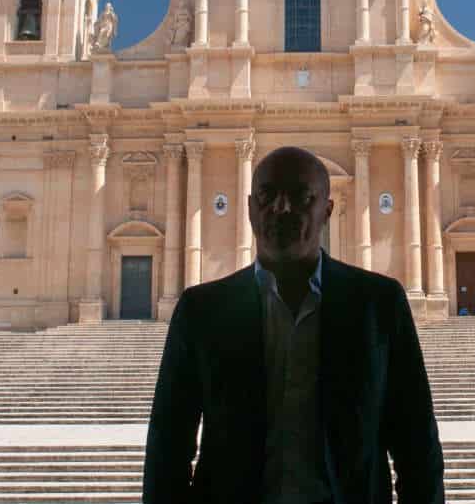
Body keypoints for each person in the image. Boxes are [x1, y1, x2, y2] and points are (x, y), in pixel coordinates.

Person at [143, 146, 445, 503]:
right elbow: (168, 449)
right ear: (251, 208)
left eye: (301, 196)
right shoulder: (202, 311)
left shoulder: (379, 305)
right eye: (268, 196)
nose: (281, 208)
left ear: (327, 211)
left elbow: (417, 446)